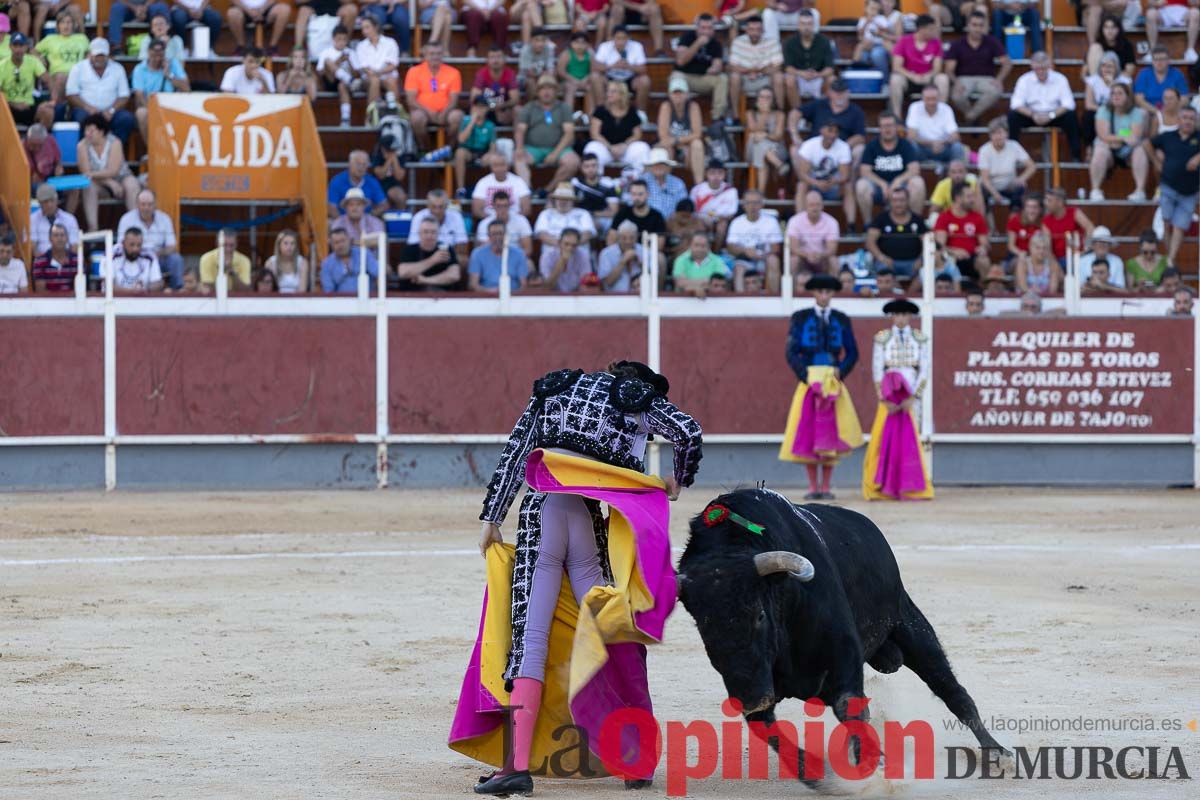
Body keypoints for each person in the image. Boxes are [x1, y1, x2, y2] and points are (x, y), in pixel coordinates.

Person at [465, 360, 701, 797]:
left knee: (531, 640)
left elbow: (517, 452)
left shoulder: (556, 388)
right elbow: (688, 431)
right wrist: (678, 480)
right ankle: (636, 758)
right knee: (610, 630)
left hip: (542, 515)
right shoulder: (634, 400)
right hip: (587, 524)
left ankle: (515, 766)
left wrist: (492, 518)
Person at [779, 272, 862, 499]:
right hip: (809, 379)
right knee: (809, 431)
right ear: (813, 293)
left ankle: (825, 486)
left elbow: (852, 352)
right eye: (820, 291)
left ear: (833, 294)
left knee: (830, 432)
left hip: (832, 381)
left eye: (828, 292)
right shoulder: (800, 317)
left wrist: (840, 372)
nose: (824, 296)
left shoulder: (842, 318)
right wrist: (805, 376)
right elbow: (791, 351)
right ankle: (812, 487)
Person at [863, 298, 933, 501]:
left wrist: (914, 397)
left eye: (904, 314)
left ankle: (911, 487)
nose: (901, 319)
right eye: (897, 314)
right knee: (886, 439)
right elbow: (877, 370)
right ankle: (886, 486)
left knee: (913, 439)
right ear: (892, 316)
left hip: (911, 398)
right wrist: (884, 399)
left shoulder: (920, 339)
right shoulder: (882, 339)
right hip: (889, 398)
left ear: (910, 316)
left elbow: (924, 369)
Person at [1007, 51, 1082, 161]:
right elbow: (1015, 104)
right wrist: (1033, 114)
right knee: (1012, 117)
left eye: (1043, 68)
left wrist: (1051, 115)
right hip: (1031, 115)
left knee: (1071, 117)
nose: (1041, 71)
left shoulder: (1060, 79)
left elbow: (1069, 104)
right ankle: (1012, 156)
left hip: (1054, 115)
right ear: (1032, 66)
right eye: (1037, 68)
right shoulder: (1024, 80)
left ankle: (1076, 156)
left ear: (1049, 66)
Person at [1149, 106, 1200, 267]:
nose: (1188, 121)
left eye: (1191, 118)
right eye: (1185, 117)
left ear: (1196, 121)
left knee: (1179, 226)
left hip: (1190, 191)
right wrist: (1156, 161)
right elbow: (1146, 143)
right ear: (1178, 120)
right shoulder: (1167, 136)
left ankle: (1170, 259)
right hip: (1168, 186)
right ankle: (1170, 258)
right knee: (1166, 223)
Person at [514, 75, 580, 197]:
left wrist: (555, 153)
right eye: (543, 88)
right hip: (533, 148)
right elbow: (520, 130)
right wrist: (519, 148)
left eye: (550, 88)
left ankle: (548, 190)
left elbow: (569, 133)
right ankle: (527, 191)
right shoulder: (529, 107)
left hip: (559, 148)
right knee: (518, 158)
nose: (546, 92)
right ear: (538, 91)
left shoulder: (563, 108)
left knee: (573, 162)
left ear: (556, 91)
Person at [856, 112, 925, 226]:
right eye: (884, 126)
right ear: (880, 128)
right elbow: (864, 171)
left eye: (890, 125)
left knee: (918, 183)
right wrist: (882, 184)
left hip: (901, 186)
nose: (887, 129)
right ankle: (868, 224)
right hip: (879, 188)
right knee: (861, 185)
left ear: (896, 127)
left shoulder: (905, 145)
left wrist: (897, 181)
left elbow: (914, 169)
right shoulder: (872, 145)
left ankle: (914, 223)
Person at [77, 113, 140, 232]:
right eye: (86, 130)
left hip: (121, 177)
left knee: (132, 184)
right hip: (99, 183)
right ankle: (93, 229)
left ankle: (135, 226)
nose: (87, 134)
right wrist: (109, 182)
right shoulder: (82, 146)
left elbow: (113, 170)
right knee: (88, 186)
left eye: (91, 130)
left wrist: (108, 179)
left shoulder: (115, 142)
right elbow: (86, 173)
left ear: (101, 132)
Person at [945, 11, 1010, 124]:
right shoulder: (957, 44)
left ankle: (971, 116)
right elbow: (949, 69)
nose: (977, 29)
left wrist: (999, 79)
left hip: (987, 78)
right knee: (956, 96)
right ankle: (975, 117)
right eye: (974, 25)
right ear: (968, 25)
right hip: (964, 79)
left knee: (996, 91)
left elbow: (1007, 63)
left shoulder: (992, 41)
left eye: (981, 25)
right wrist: (956, 82)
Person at [1089, 82, 1150, 200]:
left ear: (1128, 96)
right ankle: (1095, 190)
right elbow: (1103, 135)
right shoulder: (1103, 110)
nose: (1116, 96)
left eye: (1120, 93)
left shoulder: (1136, 112)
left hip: (1128, 151)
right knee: (1100, 150)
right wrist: (1123, 136)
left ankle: (1140, 191)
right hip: (1108, 148)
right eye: (1113, 94)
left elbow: (1135, 136)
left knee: (1140, 150)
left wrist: (1117, 135)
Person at [117, 189, 184, 290]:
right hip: (135, 257)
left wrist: (157, 254)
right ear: (137, 204)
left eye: (150, 204)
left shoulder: (164, 218)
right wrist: (141, 254)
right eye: (143, 204)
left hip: (158, 256)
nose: (146, 208)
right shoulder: (126, 219)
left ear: (155, 204)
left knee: (176, 259)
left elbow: (172, 246)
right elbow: (121, 245)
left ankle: (176, 291)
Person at [795, 119, 855, 229]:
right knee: (801, 185)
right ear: (822, 131)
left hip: (833, 186)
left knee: (848, 186)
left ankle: (851, 225)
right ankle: (799, 223)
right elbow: (802, 174)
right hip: (814, 186)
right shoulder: (810, 145)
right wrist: (817, 183)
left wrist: (834, 181)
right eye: (830, 131)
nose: (833, 135)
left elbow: (845, 175)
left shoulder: (843, 147)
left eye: (836, 132)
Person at [793, 78, 867, 165]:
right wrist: (794, 134)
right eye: (836, 92)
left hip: (841, 150)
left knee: (859, 149)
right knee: (794, 150)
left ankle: (850, 178)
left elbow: (860, 136)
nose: (839, 95)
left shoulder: (856, 111)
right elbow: (795, 113)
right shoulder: (819, 104)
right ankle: (804, 178)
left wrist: (842, 147)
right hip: (816, 147)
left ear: (848, 93)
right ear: (830, 93)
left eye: (842, 92)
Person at [403, 42, 462, 149]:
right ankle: (425, 149)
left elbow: (453, 101)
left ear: (443, 55)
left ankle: (449, 149)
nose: (435, 57)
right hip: (423, 111)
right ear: (425, 55)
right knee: (416, 118)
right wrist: (429, 112)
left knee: (457, 117)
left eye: (438, 53)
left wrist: (443, 113)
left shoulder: (453, 72)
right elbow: (411, 101)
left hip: (446, 112)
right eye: (431, 54)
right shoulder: (414, 71)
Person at [888, 14, 949, 117]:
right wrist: (912, 76)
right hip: (908, 79)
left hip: (928, 79)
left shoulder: (936, 43)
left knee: (943, 79)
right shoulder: (904, 41)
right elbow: (896, 66)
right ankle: (896, 117)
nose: (934, 32)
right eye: (931, 29)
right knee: (895, 80)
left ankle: (941, 116)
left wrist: (928, 76)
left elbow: (937, 68)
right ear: (921, 29)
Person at [670, 13, 728, 121]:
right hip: (685, 76)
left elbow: (718, 64)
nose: (706, 31)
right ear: (697, 28)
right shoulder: (687, 37)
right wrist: (697, 44)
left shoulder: (716, 43)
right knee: (676, 78)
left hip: (703, 79)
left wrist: (715, 68)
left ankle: (717, 118)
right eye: (703, 28)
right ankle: (676, 118)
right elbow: (681, 61)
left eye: (709, 28)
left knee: (722, 79)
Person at [585, 80, 649, 175]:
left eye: (613, 91)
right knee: (592, 147)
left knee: (642, 148)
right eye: (608, 91)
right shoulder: (601, 110)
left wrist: (624, 145)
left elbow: (637, 134)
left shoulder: (631, 111)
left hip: (625, 150)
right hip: (605, 148)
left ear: (622, 94)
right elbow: (594, 133)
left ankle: (636, 182)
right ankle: (596, 183)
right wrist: (610, 147)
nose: (608, 94)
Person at [725, 190, 782, 294]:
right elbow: (731, 247)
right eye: (749, 203)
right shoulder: (736, 222)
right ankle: (740, 299)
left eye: (756, 202)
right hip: (744, 259)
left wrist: (762, 255)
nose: (752, 206)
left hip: (765, 259)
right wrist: (746, 251)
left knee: (774, 260)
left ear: (762, 204)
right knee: (738, 268)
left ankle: (773, 297)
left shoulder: (771, 221)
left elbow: (776, 248)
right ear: (743, 205)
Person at [132, 38, 189, 142]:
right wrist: (151, 110)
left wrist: (169, 75)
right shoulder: (139, 69)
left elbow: (186, 88)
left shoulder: (173, 64)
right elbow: (139, 95)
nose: (157, 56)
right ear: (148, 52)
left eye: (160, 52)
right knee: (141, 113)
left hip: (172, 106)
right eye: (154, 52)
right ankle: (151, 150)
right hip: (149, 105)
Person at [866, 186, 927, 281]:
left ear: (908, 201)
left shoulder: (917, 220)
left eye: (902, 200)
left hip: (913, 262)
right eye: (894, 200)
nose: (898, 204)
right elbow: (870, 242)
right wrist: (881, 257)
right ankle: (900, 294)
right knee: (883, 275)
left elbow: (927, 242)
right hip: (887, 262)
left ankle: (908, 294)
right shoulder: (881, 218)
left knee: (926, 273)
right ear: (889, 202)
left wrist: (921, 259)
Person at [934, 181, 990, 282]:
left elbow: (985, 243)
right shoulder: (944, 217)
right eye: (969, 197)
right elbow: (939, 245)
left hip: (971, 257)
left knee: (984, 261)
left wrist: (983, 248)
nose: (973, 200)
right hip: (950, 257)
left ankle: (982, 293)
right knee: (938, 258)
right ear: (958, 198)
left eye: (972, 196)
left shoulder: (977, 217)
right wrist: (954, 251)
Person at [730, 15, 785, 113]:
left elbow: (777, 67)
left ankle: (780, 113)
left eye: (758, 29)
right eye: (751, 29)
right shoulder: (738, 42)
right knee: (734, 77)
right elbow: (733, 67)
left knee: (778, 77)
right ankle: (735, 115)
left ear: (763, 30)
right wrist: (753, 71)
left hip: (765, 79)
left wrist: (755, 71)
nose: (755, 33)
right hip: (745, 79)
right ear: (746, 30)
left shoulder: (772, 42)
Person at [658, 75, 705, 186]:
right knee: (666, 148)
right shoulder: (666, 106)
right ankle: (664, 186)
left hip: (688, 146)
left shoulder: (693, 106)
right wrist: (679, 144)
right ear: (670, 94)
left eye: (681, 92)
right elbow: (663, 136)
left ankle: (700, 186)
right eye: (675, 92)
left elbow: (697, 134)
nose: (678, 95)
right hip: (674, 146)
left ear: (687, 94)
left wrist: (679, 142)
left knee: (697, 144)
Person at [905, 84, 968, 167]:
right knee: (911, 146)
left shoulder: (946, 109)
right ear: (922, 98)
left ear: (939, 98)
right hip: (922, 148)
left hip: (943, 147)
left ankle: (956, 175)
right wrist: (932, 143)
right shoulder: (914, 108)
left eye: (934, 99)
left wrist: (941, 143)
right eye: (928, 99)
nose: (931, 102)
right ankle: (914, 173)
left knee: (957, 147)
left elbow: (956, 136)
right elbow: (911, 136)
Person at [781, 10, 833, 109]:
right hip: (799, 77)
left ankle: (822, 113)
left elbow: (830, 68)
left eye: (809, 24)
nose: (806, 27)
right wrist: (801, 73)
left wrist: (818, 74)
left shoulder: (824, 41)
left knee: (832, 79)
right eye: (803, 24)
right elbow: (788, 67)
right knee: (789, 79)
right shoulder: (790, 42)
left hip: (818, 78)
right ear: (798, 25)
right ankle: (798, 113)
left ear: (814, 25)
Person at [35, 10, 87, 105]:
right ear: (58, 25)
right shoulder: (50, 39)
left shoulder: (82, 38)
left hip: (79, 74)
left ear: (74, 25)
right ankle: (59, 108)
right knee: (61, 78)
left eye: (69, 22)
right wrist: (40, 59)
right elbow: (33, 51)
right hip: (58, 74)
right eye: (62, 22)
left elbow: (90, 53)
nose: (66, 26)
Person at [744, 87, 789, 194]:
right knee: (757, 138)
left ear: (773, 100)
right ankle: (779, 165)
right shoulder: (750, 113)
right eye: (762, 97)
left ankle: (761, 193)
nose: (765, 100)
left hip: (777, 149)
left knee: (761, 148)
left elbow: (778, 136)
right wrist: (764, 114)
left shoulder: (780, 114)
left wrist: (765, 136)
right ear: (757, 99)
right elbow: (753, 129)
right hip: (752, 149)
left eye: (768, 98)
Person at [786, 188, 839, 281]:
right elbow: (794, 248)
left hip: (822, 259)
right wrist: (807, 255)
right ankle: (791, 293)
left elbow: (832, 249)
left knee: (834, 261)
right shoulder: (795, 221)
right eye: (811, 205)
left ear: (822, 206)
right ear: (805, 206)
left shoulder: (832, 222)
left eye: (818, 204)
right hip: (802, 259)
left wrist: (820, 255)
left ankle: (833, 292)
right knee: (793, 261)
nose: (815, 208)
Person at [396, 217, 461, 291]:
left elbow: (454, 275)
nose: (429, 236)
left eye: (433, 232)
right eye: (426, 232)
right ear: (419, 233)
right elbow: (403, 273)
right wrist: (433, 260)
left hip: (442, 296)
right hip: (412, 296)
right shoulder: (409, 250)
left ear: (438, 233)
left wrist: (425, 280)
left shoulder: (446, 249)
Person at [593, 24, 650, 108]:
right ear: (612, 38)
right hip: (610, 78)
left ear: (628, 38)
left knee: (645, 80)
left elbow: (643, 69)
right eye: (618, 38)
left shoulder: (637, 46)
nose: (621, 42)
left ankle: (641, 113)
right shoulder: (604, 46)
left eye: (624, 38)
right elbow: (595, 67)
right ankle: (601, 110)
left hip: (629, 79)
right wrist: (613, 66)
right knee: (595, 77)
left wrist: (629, 66)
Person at [356, 13, 400, 119]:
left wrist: (377, 73)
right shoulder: (361, 45)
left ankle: (396, 115)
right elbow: (364, 68)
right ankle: (370, 117)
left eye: (367, 27)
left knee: (391, 81)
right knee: (374, 80)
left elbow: (393, 65)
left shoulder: (390, 42)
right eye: (363, 28)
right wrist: (375, 74)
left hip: (386, 77)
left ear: (375, 27)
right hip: (369, 78)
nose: (364, 31)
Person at [409, 188, 471, 261]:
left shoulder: (456, 216)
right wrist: (433, 258)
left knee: (463, 260)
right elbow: (413, 245)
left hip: (450, 256)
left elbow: (462, 246)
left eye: (441, 207)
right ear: (428, 205)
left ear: (447, 205)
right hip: (425, 256)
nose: (437, 211)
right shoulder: (418, 217)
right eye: (434, 206)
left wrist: (445, 256)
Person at [1083, 51, 1130, 146]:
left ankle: (1124, 142)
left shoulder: (1125, 81)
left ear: (1116, 67)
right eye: (1103, 66)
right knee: (1088, 116)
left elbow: (1129, 102)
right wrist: (1104, 110)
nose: (1106, 69)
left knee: (1129, 117)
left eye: (1110, 66)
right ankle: (1089, 147)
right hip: (1100, 110)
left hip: (1120, 110)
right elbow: (1089, 104)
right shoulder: (1093, 80)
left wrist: (1111, 85)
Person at [0, 33, 48, 126]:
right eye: (15, 46)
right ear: (10, 47)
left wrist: (51, 102)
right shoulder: (2, 65)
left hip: (28, 105)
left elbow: (48, 80)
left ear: (26, 47)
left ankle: (39, 138)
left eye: (21, 46)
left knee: (48, 112)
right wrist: (12, 104)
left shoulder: (33, 61)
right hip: (8, 108)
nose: (18, 49)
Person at [467, 219, 529, 291]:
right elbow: (473, 284)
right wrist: (491, 291)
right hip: (486, 296)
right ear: (488, 236)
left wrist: (509, 295)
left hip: (514, 296)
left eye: (500, 233)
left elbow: (524, 285)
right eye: (494, 234)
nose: (498, 237)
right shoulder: (477, 254)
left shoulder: (519, 254)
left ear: (506, 235)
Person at [317, 24, 360, 126]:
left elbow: (357, 74)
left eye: (344, 39)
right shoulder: (326, 52)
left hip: (346, 85)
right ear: (333, 39)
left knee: (342, 85)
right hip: (330, 81)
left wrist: (349, 61)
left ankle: (345, 118)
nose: (341, 42)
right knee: (328, 61)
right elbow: (321, 72)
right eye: (339, 39)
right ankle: (348, 79)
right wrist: (339, 61)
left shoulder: (351, 53)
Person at [688, 160, 738, 247]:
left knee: (722, 225)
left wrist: (715, 219)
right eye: (712, 173)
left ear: (724, 174)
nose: (716, 176)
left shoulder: (731, 190)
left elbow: (731, 214)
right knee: (698, 224)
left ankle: (716, 252)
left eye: (720, 173)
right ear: (706, 174)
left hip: (720, 221)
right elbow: (692, 212)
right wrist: (705, 220)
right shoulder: (697, 189)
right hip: (701, 220)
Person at [454, 97, 498, 198]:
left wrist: (489, 155)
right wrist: (472, 122)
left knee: (494, 158)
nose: (479, 110)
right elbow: (461, 140)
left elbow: (493, 147)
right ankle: (461, 189)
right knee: (459, 153)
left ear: (487, 109)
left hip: (483, 153)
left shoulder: (490, 125)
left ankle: (493, 189)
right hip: (468, 152)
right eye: (477, 107)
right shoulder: (466, 121)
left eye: (482, 107)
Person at [1043, 187, 1095, 265]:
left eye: (1049, 200)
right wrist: (1055, 265)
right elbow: (1047, 247)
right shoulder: (1046, 221)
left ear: (1060, 202)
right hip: (1058, 260)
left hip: (1079, 256)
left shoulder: (1074, 212)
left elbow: (1090, 227)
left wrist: (1086, 248)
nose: (1045, 203)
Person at [327, 149, 386, 218]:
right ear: (350, 164)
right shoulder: (337, 181)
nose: (361, 168)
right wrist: (343, 223)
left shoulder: (372, 182)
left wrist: (369, 217)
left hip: (366, 222)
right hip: (342, 222)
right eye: (358, 164)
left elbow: (383, 205)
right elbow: (331, 207)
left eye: (364, 164)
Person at [321, 226, 380, 293]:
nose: (341, 245)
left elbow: (378, 273)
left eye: (343, 241)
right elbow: (328, 291)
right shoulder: (327, 264)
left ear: (349, 240)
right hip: (341, 301)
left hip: (367, 299)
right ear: (331, 245)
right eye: (336, 242)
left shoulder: (363, 253)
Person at [534, 183, 596, 247]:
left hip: (577, 250)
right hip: (553, 251)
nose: (562, 202)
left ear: (573, 201)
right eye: (559, 198)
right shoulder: (546, 214)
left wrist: (571, 246)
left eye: (566, 199)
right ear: (555, 200)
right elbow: (542, 234)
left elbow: (588, 233)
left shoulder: (583, 213)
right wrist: (563, 246)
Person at [571, 154, 619, 234]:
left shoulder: (608, 183)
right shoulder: (576, 183)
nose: (590, 169)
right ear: (581, 168)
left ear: (598, 166)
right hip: (581, 216)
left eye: (593, 165)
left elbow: (614, 211)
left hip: (602, 216)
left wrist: (593, 214)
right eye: (587, 166)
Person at [471, 45, 519, 126]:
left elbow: (515, 99)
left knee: (518, 110)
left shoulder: (510, 74)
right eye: (492, 57)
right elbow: (474, 97)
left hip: (503, 108)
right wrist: (491, 106)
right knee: (475, 109)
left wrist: (499, 106)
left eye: (499, 57)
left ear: (504, 59)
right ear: (487, 60)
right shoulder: (481, 74)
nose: (495, 60)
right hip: (486, 108)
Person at [610, 179, 667, 246]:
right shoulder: (622, 214)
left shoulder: (657, 216)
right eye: (634, 194)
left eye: (640, 194)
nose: (637, 198)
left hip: (648, 253)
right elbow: (611, 238)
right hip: (624, 253)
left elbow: (660, 243)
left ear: (647, 194)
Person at [1134, 45, 1189, 111]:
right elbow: (1139, 99)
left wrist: (1170, 111)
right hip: (1149, 111)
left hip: (1172, 111)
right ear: (1152, 61)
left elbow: (1184, 98)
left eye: (1162, 59)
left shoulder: (1177, 74)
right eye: (1156, 59)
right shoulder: (1144, 74)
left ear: (1168, 60)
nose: (1159, 62)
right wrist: (1157, 112)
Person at [535, 227, 592, 292]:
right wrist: (562, 261)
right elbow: (547, 286)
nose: (569, 248)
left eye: (574, 245)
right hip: (553, 296)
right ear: (559, 242)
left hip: (576, 295)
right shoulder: (547, 256)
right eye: (566, 244)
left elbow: (586, 283)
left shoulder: (583, 256)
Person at [672, 232, 728, 296]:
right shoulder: (681, 260)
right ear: (690, 246)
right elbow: (680, 283)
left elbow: (718, 284)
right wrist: (699, 286)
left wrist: (690, 285)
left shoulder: (718, 260)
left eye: (703, 246)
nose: (699, 249)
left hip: (712, 299)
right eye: (696, 245)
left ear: (709, 247)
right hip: (682, 299)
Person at [108, 228, 163, 293]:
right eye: (132, 245)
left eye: (139, 245)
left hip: (142, 299)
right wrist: (132, 292)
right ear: (123, 243)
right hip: (115, 300)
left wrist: (145, 289)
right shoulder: (111, 254)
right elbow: (108, 286)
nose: (135, 249)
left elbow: (157, 283)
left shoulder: (150, 256)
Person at [29, 183, 80, 253]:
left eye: (52, 200)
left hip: (66, 259)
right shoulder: (32, 219)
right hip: (43, 261)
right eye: (45, 201)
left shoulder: (70, 219)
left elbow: (74, 246)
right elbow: (32, 248)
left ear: (56, 200)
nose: (49, 205)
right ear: (39, 203)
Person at [557, 32, 600, 114]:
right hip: (569, 81)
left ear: (588, 44)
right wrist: (573, 80)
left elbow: (593, 71)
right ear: (571, 43)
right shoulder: (566, 54)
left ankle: (591, 116)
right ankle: (568, 115)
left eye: (583, 43)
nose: (579, 45)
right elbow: (561, 71)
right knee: (570, 88)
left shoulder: (590, 54)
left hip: (584, 82)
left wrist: (585, 79)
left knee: (590, 88)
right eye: (576, 42)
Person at [1085, 13, 1138, 78]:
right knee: (1094, 47)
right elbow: (1084, 72)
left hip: (1118, 81)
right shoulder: (1097, 45)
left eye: (1113, 27)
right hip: (1100, 81)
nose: (1109, 31)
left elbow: (1129, 71)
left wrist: (1111, 77)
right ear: (1102, 29)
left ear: (1119, 29)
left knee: (1126, 80)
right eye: (1106, 27)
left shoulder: (1126, 45)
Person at [853, 0, 898, 77]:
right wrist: (866, 23)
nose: (873, 12)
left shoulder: (880, 18)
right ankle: (854, 65)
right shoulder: (863, 20)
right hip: (867, 43)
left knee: (884, 49)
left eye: (876, 9)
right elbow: (860, 33)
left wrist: (876, 24)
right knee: (859, 46)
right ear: (866, 9)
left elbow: (887, 29)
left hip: (879, 42)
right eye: (871, 9)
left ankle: (887, 76)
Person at [595, 220, 642, 292]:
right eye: (624, 238)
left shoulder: (644, 251)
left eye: (631, 238)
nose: (628, 241)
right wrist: (623, 261)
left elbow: (654, 280)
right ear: (618, 238)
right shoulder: (606, 253)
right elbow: (607, 283)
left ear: (636, 238)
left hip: (640, 297)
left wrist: (641, 263)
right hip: (614, 298)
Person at [31, 223, 79, 292]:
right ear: (50, 238)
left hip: (72, 301)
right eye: (56, 235)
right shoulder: (40, 261)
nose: (59, 238)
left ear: (67, 238)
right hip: (47, 302)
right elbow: (40, 291)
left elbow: (78, 290)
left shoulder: (76, 260)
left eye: (62, 235)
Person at [1005, 193, 1048, 268]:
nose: (1031, 210)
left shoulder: (1044, 222)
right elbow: (1011, 246)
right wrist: (1021, 253)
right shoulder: (1015, 220)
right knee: (1021, 262)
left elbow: (1047, 244)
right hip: (1018, 256)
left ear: (1040, 209)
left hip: (1040, 256)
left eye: (1035, 207)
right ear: (1024, 208)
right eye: (1028, 207)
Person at [642, 148, 687, 219]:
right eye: (655, 164)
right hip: (647, 222)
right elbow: (633, 202)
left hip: (671, 224)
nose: (659, 167)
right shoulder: (642, 181)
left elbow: (684, 207)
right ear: (650, 166)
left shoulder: (678, 183)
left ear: (667, 166)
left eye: (662, 164)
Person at [1077, 225, 1126, 289]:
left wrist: (1103, 286)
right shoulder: (1082, 261)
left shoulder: (1117, 261)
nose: (1102, 244)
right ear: (1093, 245)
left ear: (1110, 245)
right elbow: (1079, 287)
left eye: (1105, 242)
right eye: (1099, 241)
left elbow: (1121, 288)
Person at [262, 229, 309, 293]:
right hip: (275, 300)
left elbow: (302, 290)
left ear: (296, 246)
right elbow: (268, 289)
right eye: (285, 243)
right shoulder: (270, 263)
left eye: (292, 243)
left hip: (297, 300)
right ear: (279, 245)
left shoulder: (303, 263)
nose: (289, 247)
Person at [1016, 231, 1062, 295]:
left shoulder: (1053, 265)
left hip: (1046, 300)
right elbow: (1023, 287)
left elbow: (1053, 290)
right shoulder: (1023, 263)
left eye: (1044, 248)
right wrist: (1033, 292)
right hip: (1026, 300)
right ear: (1030, 247)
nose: (1041, 251)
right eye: (1038, 248)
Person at [24, 123, 62, 190]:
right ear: (28, 138)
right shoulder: (21, 148)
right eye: (33, 145)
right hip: (33, 181)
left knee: (74, 188)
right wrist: (30, 177)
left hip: (51, 176)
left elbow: (58, 160)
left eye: (40, 145)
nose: (36, 148)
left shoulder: (50, 140)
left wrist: (58, 167)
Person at [517, 26, 555, 92]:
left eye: (543, 40)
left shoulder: (549, 49)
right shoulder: (525, 50)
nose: (540, 44)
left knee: (551, 80)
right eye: (537, 40)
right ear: (531, 40)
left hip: (542, 77)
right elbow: (528, 73)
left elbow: (551, 69)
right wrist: (544, 74)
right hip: (524, 80)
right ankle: (531, 102)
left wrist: (546, 75)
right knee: (531, 82)